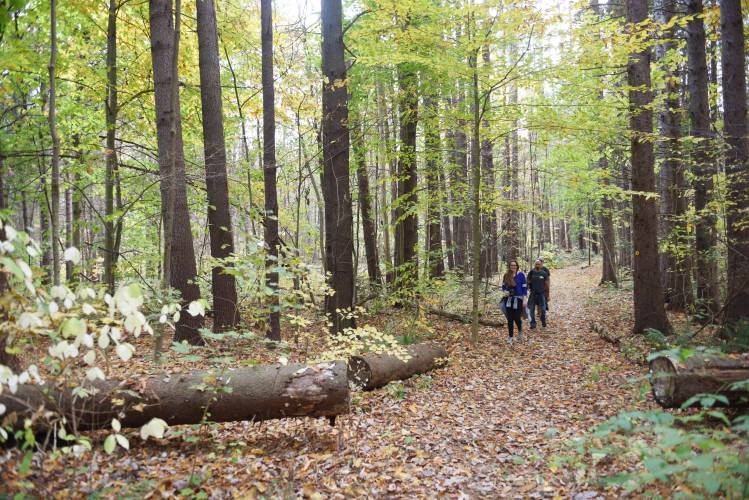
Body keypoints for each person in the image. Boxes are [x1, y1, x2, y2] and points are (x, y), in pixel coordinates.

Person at [501, 260, 527, 345]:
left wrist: (525, 299)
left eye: (515, 265)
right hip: (508, 299)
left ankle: (520, 332)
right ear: (509, 266)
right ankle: (510, 336)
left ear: (517, 266)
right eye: (512, 265)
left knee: (517, 317)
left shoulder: (521, 275)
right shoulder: (506, 275)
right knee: (510, 318)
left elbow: (524, 287)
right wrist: (506, 291)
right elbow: (503, 286)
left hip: (518, 299)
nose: (513, 267)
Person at [527, 259, 550, 329]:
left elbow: (547, 285)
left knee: (543, 310)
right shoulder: (531, 272)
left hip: (541, 294)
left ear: (541, 265)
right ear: (534, 265)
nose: (537, 265)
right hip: (533, 294)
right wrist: (527, 288)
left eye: (539, 264)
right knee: (531, 310)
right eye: (536, 264)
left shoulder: (544, 273)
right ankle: (533, 324)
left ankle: (543, 319)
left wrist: (548, 295)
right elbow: (528, 281)